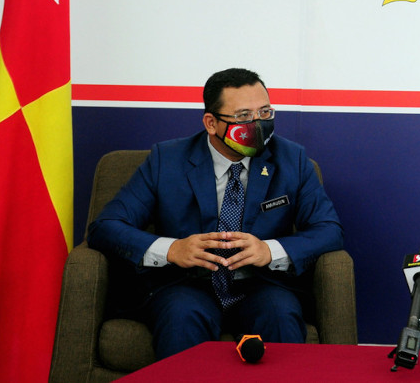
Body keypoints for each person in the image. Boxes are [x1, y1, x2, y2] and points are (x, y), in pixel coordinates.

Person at [88, 67, 344, 359]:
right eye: (244, 117)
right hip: (186, 284)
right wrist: (172, 249)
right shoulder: (166, 160)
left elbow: (329, 229)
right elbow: (105, 226)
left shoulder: (292, 159)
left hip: (262, 285)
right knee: (181, 317)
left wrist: (269, 251)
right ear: (211, 123)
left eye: (265, 113)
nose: (258, 124)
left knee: (280, 314)